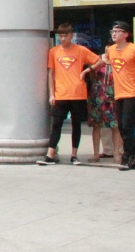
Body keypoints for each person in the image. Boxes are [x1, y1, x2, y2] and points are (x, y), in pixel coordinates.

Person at [37, 23, 100, 165]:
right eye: (60, 35)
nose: (63, 38)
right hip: (61, 94)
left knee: (76, 125)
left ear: (72, 35)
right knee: (56, 124)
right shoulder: (54, 51)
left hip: (78, 93)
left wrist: (87, 70)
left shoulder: (81, 50)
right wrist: (52, 94)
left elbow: (99, 61)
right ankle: (50, 154)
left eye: (65, 35)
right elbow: (51, 73)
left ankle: (74, 154)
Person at [101, 21, 135, 171]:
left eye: (117, 31)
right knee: (122, 127)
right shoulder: (111, 49)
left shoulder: (134, 49)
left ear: (126, 34)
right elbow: (104, 60)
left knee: (128, 126)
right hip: (119, 93)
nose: (114, 33)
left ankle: (128, 157)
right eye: (112, 31)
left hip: (133, 92)